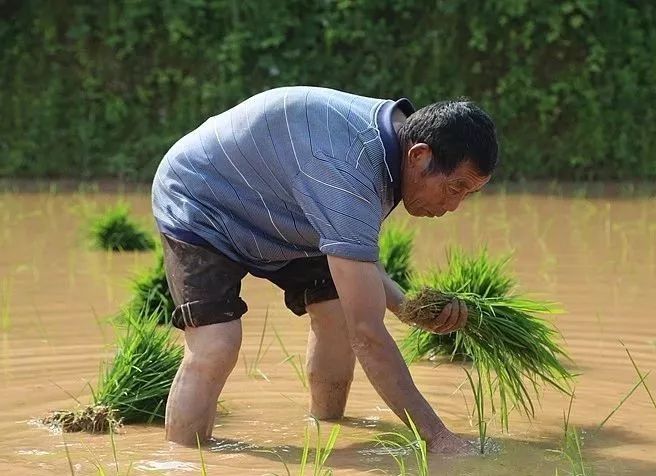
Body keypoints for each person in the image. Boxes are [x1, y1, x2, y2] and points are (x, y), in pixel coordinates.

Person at [151, 86, 498, 454]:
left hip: (287, 206)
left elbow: (355, 256)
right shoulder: (348, 170)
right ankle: (184, 460)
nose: (455, 205)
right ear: (419, 155)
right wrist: (438, 437)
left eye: (467, 193)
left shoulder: (392, 146)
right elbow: (368, 333)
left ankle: (326, 429)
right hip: (201, 200)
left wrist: (412, 310)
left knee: (336, 315)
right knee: (216, 345)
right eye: (455, 187)